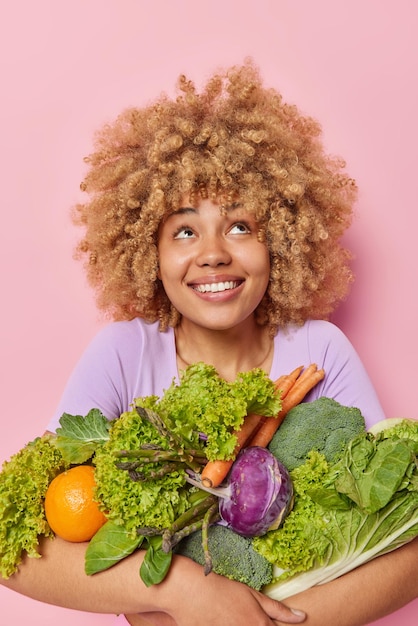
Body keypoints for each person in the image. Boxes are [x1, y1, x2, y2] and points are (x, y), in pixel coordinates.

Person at [2, 60, 418, 626]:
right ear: (147, 252)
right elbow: (16, 543)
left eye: (242, 226)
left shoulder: (320, 352)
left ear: (285, 241)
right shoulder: (124, 356)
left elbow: (403, 539)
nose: (215, 253)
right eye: (184, 230)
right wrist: (183, 592)